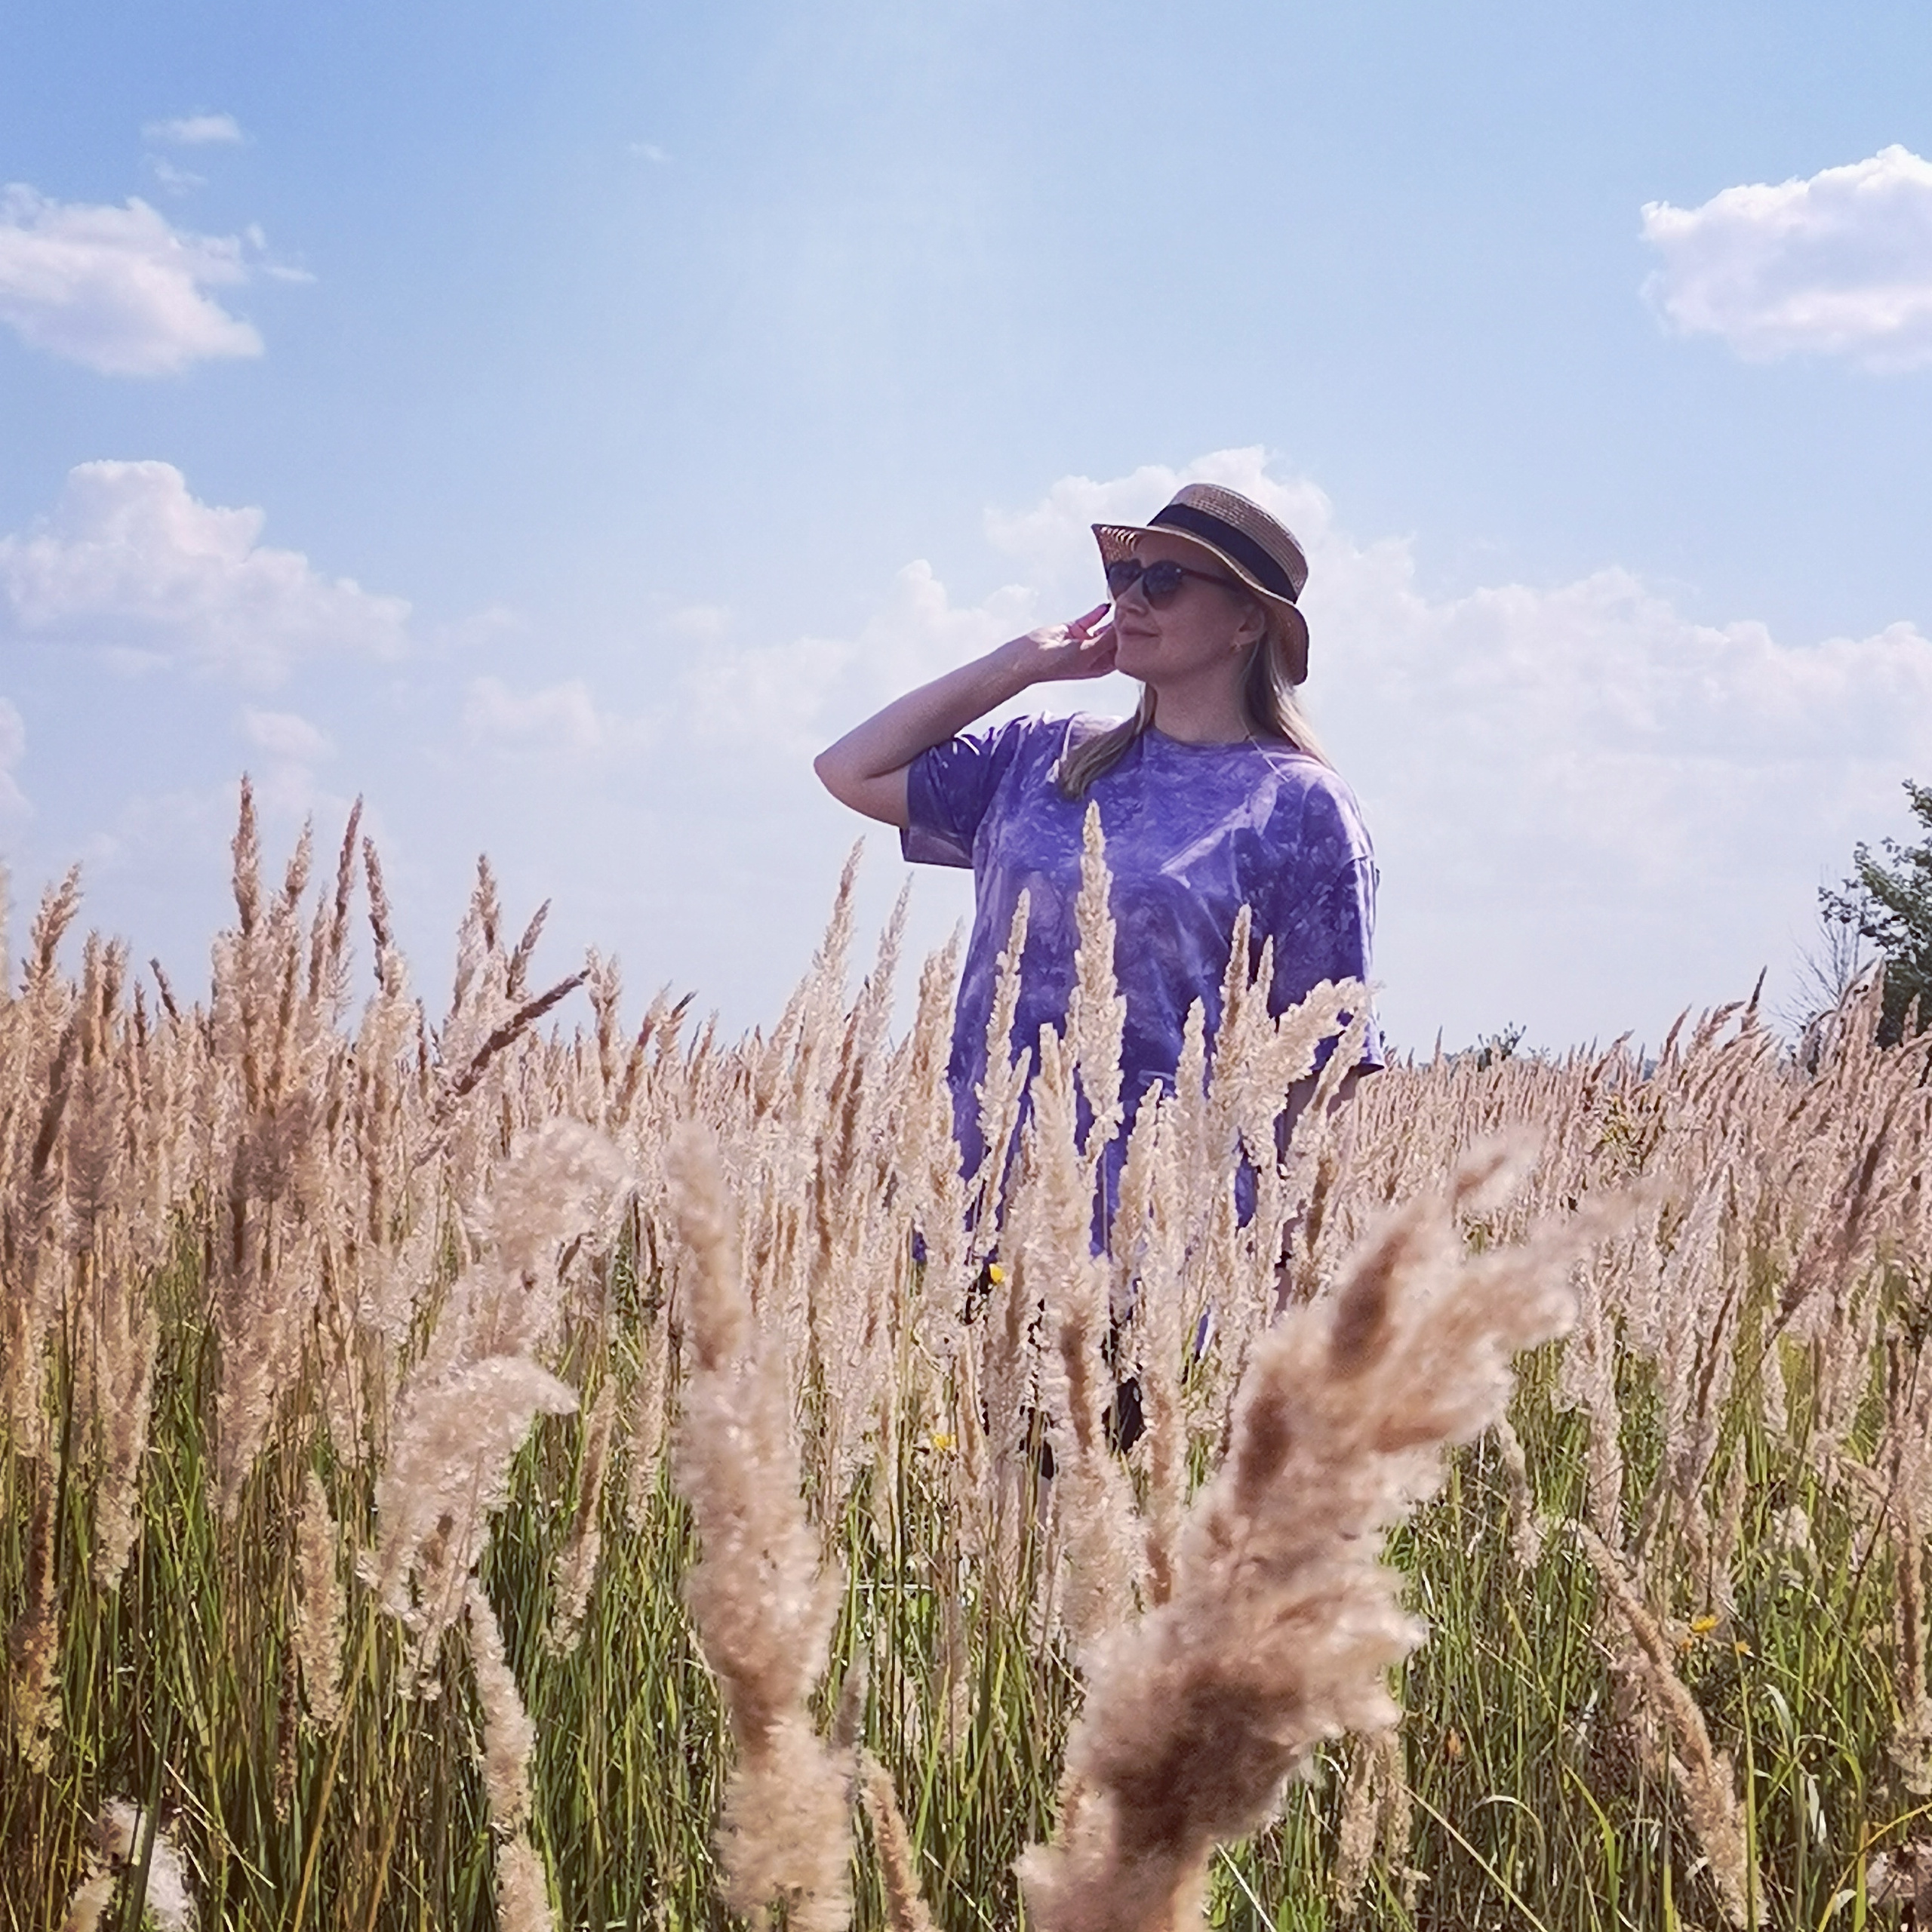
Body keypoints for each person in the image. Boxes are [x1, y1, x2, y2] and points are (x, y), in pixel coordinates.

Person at [814, 481, 1381, 1238]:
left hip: (1163, 1232)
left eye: (1165, 580)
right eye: (1124, 575)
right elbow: (850, 769)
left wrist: (1278, 1257)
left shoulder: (1300, 805)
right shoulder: (1044, 755)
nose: (1131, 599)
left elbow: (1325, 1066)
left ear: (1247, 620)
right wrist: (1020, 664)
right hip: (975, 1203)